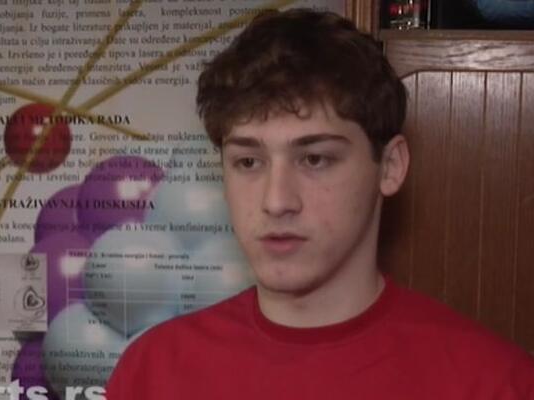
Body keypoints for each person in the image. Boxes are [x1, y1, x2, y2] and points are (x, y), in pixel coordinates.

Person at [106, 8, 534, 399]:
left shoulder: (495, 384)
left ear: (390, 166)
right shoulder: (151, 372)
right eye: (248, 162)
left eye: (315, 159)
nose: (276, 201)